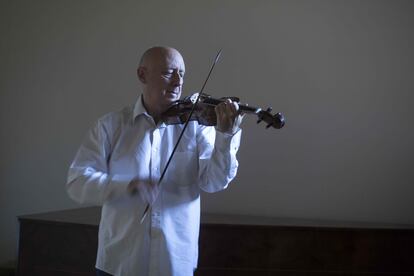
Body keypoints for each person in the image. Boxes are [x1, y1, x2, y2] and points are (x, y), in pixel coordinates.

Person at [66, 46, 243, 276]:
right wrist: (125, 187)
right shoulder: (110, 126)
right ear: (142, 74)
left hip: (174, 263)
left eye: (182, 74)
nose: (178, 81)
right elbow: (77, 181)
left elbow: (214, 182)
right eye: (169, 72)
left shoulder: (197, 126)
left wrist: (226, 137)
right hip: (119, 264)